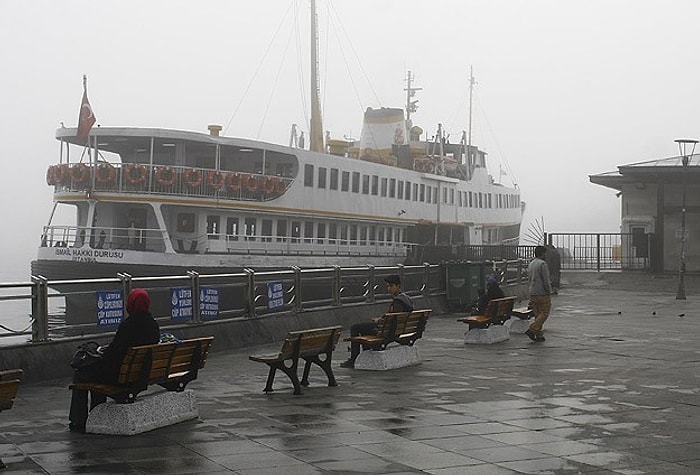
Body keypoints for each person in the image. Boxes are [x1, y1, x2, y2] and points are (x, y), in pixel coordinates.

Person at [68, 288, 160, 432]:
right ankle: (97, 416)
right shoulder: (153, 325)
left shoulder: (128, 325)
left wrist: (102, 352)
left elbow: (113, 355)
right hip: (140, 375)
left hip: (121, 377)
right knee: (97, 373)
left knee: (81, 374)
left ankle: (78, 421)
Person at [340, 275, 414, 368]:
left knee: (355, 328)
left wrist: (380, 321)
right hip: (398, 331)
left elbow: (392, 319)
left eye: (391, 286)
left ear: (399, 286)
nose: (389, 289)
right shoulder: (407, 299)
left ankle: (354, 358)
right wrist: (382, 319)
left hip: (388, 332)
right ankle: (365, 355)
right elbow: (394, 318)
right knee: (364, 328)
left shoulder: (398, 302)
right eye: (388, 286)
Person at [526, 245, 552, 342]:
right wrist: (548, 290)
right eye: (545, 253)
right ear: (542, 253)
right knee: (544, 313)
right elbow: (545, 280)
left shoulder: (531, 264)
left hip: (533, 292)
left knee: (537, 314)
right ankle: (532, 329)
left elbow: (528, 279)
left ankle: (539, 335)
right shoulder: (542, 264)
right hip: (542, 292)